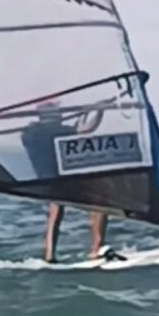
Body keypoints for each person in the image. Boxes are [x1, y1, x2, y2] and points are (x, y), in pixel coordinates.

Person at [21, 100, 112, 262]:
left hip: (57, 180)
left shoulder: (33, 132)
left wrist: (97, 111)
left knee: (57, 212)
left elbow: (85, 129)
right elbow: (85, 130)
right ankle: (95, 248)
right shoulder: (36, 132)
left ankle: (50, 255)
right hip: (54, 181)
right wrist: (97, 111)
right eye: (58, 113)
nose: (62, 116)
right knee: (97, 204)